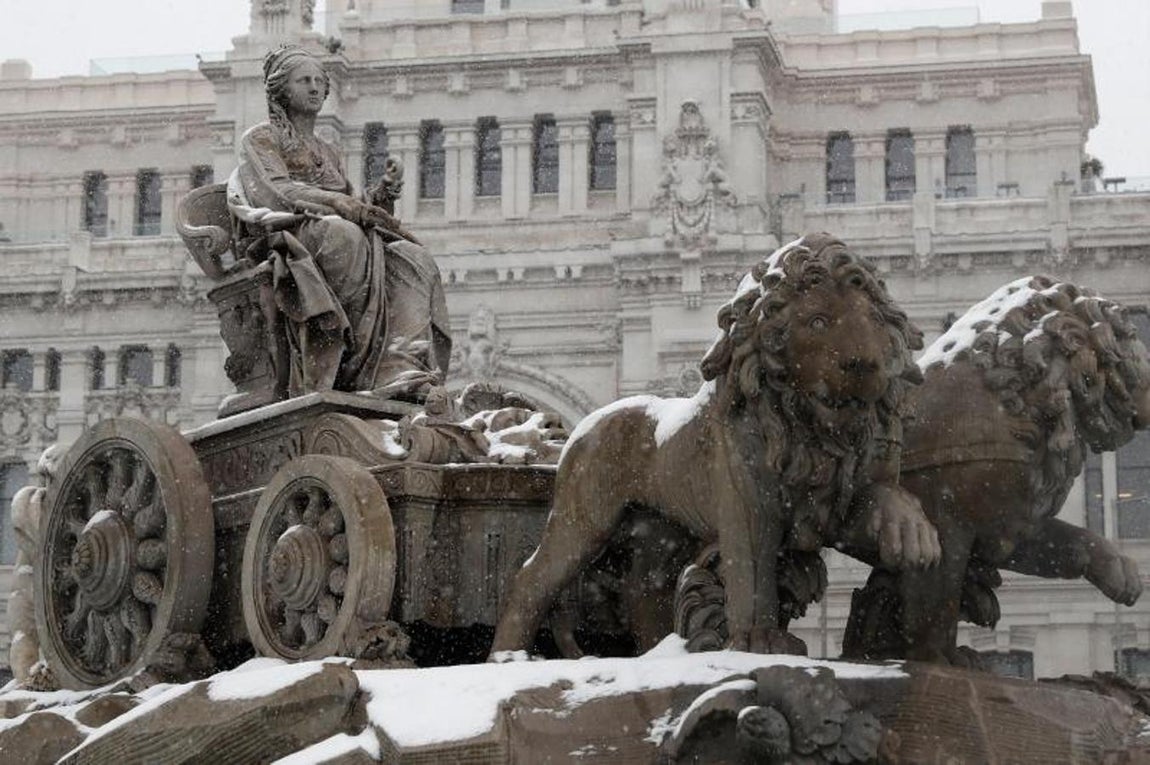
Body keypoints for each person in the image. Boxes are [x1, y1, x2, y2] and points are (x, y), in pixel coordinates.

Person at [230, 45, 450, 397]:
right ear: (281, 90)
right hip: (292, 232)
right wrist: (336, 202)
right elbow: (277, 192)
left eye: (319, 80)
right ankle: (352, 363)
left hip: (338, 230)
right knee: (343, 235)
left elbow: (354, 202)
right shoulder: (261, 138)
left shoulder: (327, 150)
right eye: (304, 80)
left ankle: (398, 362)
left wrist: (381, 195)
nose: (315, 87)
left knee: (413, 258)